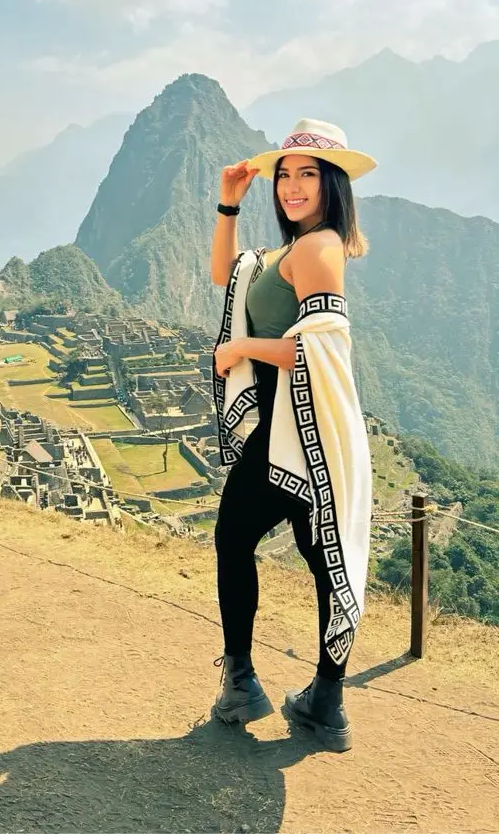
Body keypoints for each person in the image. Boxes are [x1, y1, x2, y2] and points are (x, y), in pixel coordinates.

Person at [209, 118, 376, 753]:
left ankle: (247, 682)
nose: (292, 185)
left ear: (332, 185)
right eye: (285, 174)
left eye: (308, 173)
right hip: (292, 432)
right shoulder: (286, 252)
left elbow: (324, 348)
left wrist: (243, 347)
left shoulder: (321, 248)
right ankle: (321, 705)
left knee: (242, 541)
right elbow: (227, 272)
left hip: (299, 434)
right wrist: (230, 200)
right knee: (319, 558)